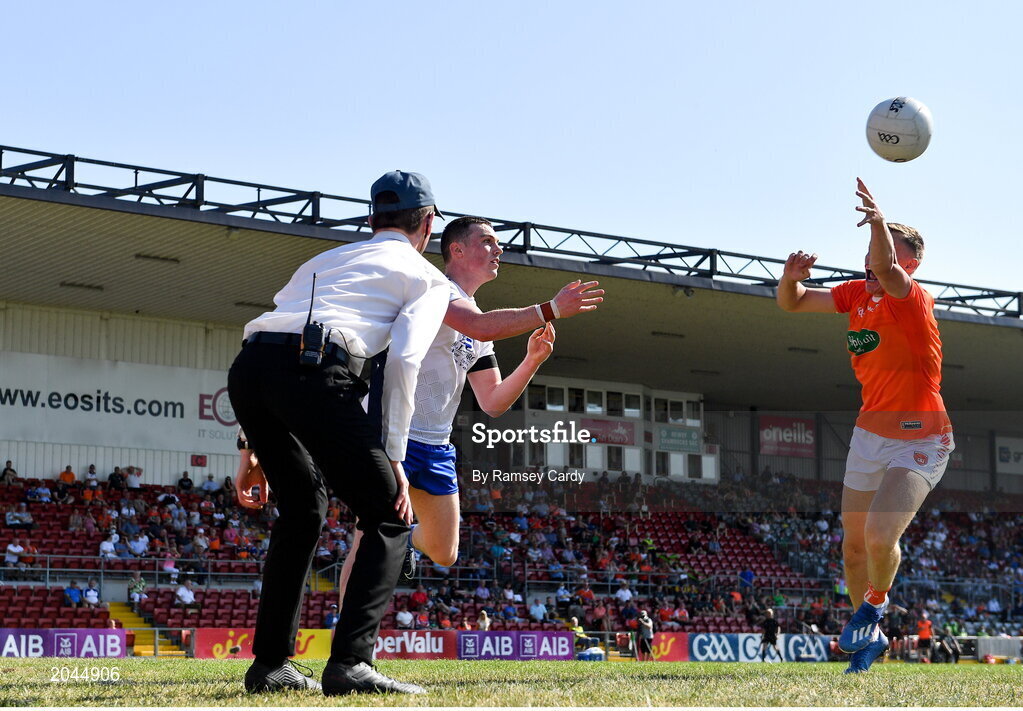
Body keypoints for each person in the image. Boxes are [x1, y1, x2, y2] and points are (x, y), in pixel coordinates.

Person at [227, 170, 449, 696]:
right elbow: (405, 361)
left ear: (371, 219)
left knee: (304, 507)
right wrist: (395, 456)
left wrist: (249, 448)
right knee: (390, 516)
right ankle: (350, 664)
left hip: (249, 369)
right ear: (429, 224)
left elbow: (274, 338)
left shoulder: (322, 260)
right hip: (316, 373)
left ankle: (271, 666)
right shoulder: (428, 278)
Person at [336, 215, 600, 585]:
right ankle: (344, 641)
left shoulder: (479, 323)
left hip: (435, 444)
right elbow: (481, 325)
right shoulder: (433, 290)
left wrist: (531, 361)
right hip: (391, 430)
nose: (499, 249)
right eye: (488, 242)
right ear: (456, 250)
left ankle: (404, 539)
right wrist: (550, 308)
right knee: (368, 539)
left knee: (445, 552)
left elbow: (492, 401)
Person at [777, 179, 953, 674]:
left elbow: (887, 269)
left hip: (922, 435)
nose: (869, 261)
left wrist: (877, 221)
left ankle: (872, 609)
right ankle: (867, 640)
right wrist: (790, 278)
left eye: (881, 252)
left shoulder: (911, 298)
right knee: (852, 549)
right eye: (869, 248)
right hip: (870, 434)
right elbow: (792, 303)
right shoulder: (857, 295)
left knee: (879, 537)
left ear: (908, 264)